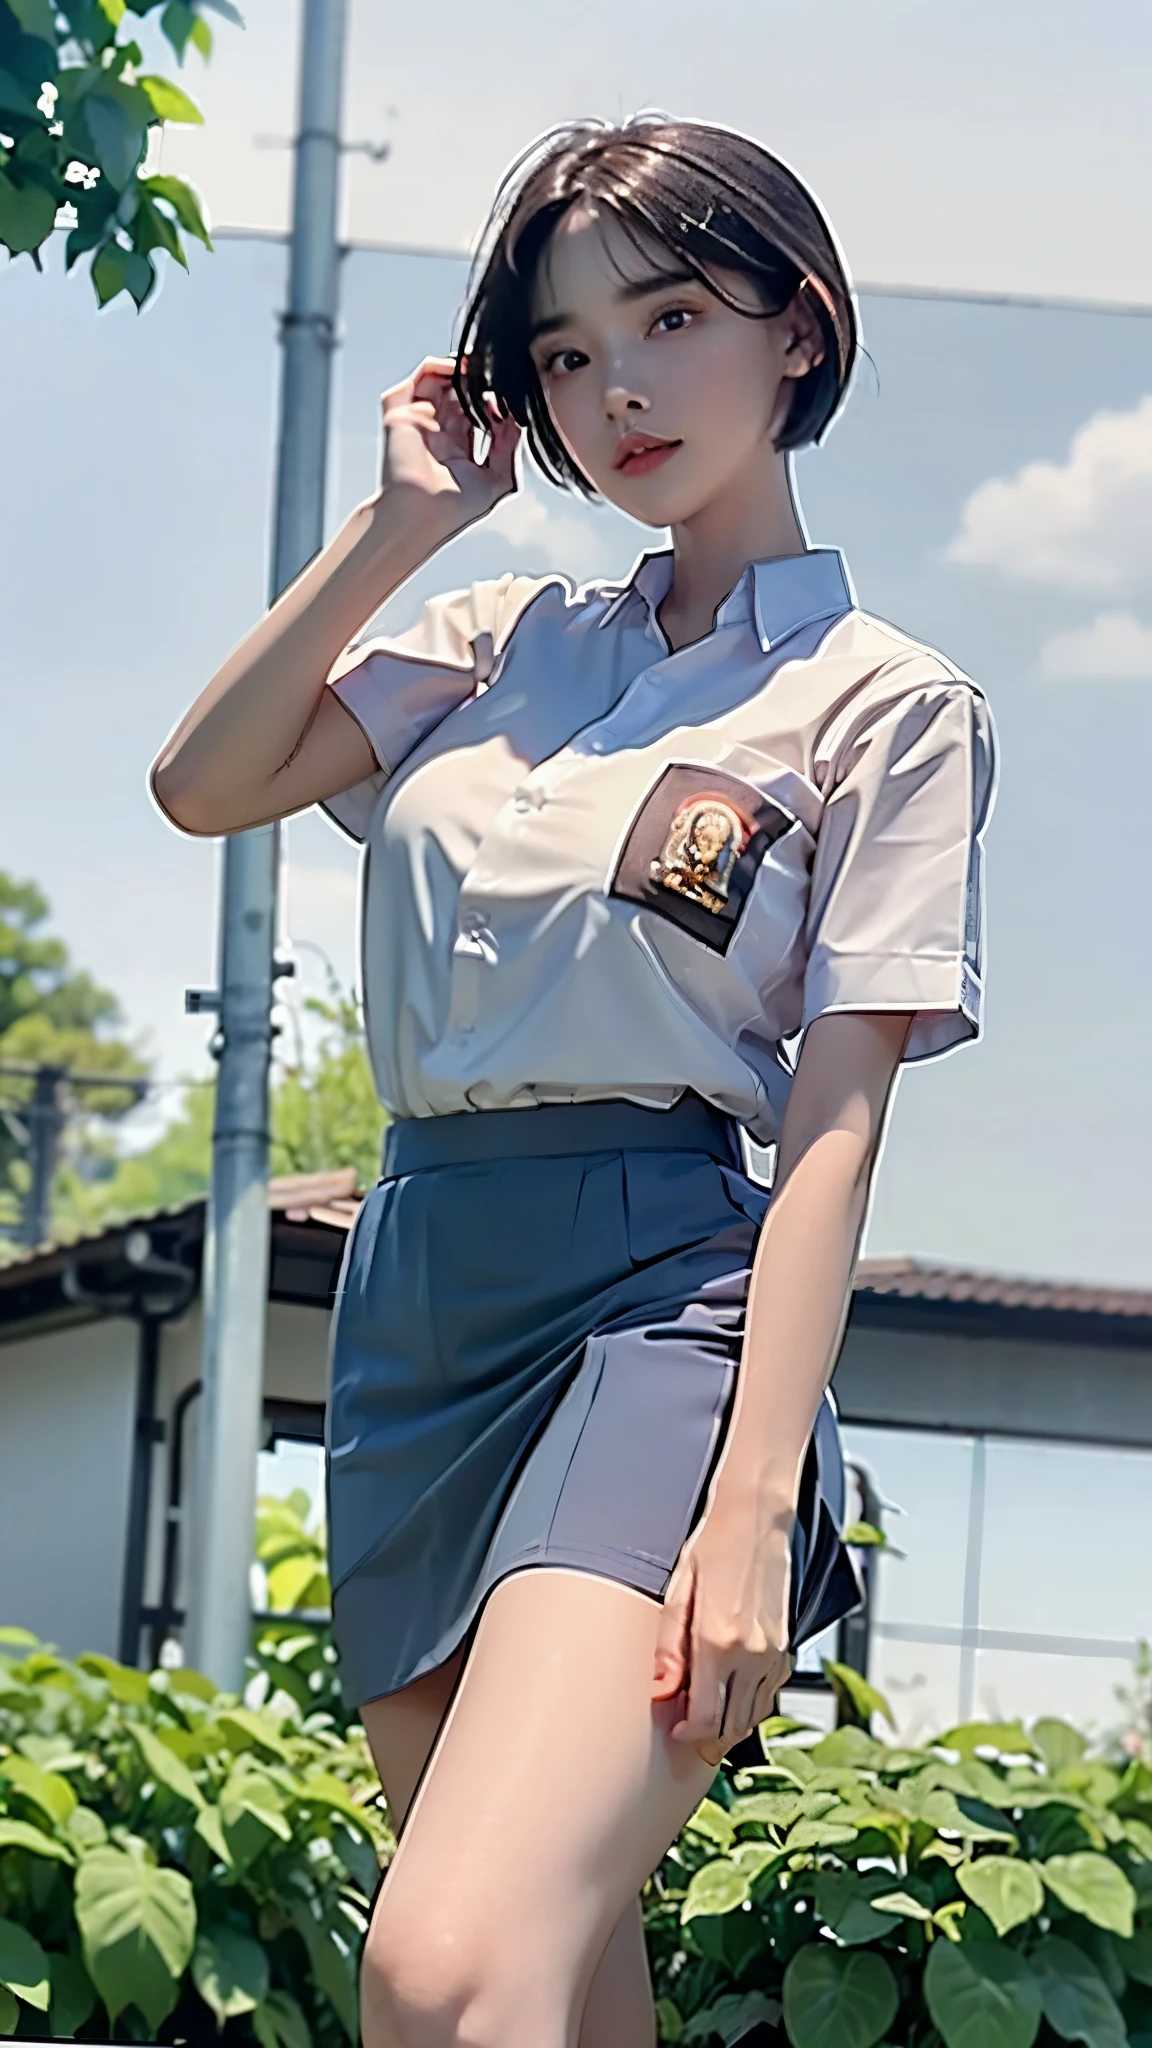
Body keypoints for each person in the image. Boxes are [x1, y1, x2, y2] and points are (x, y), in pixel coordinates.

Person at [151, 114, 997, 2048]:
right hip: (420, 1305)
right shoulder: (486, 639)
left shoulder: (886, 702)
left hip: (665, 1307)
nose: (616, 389)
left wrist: (750, 1504)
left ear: (801, 327)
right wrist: (402, 520)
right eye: (561, 352)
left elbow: (840, 1123)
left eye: (673, 316)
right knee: (554, 1987)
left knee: (445, 1973)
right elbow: (205, 785)